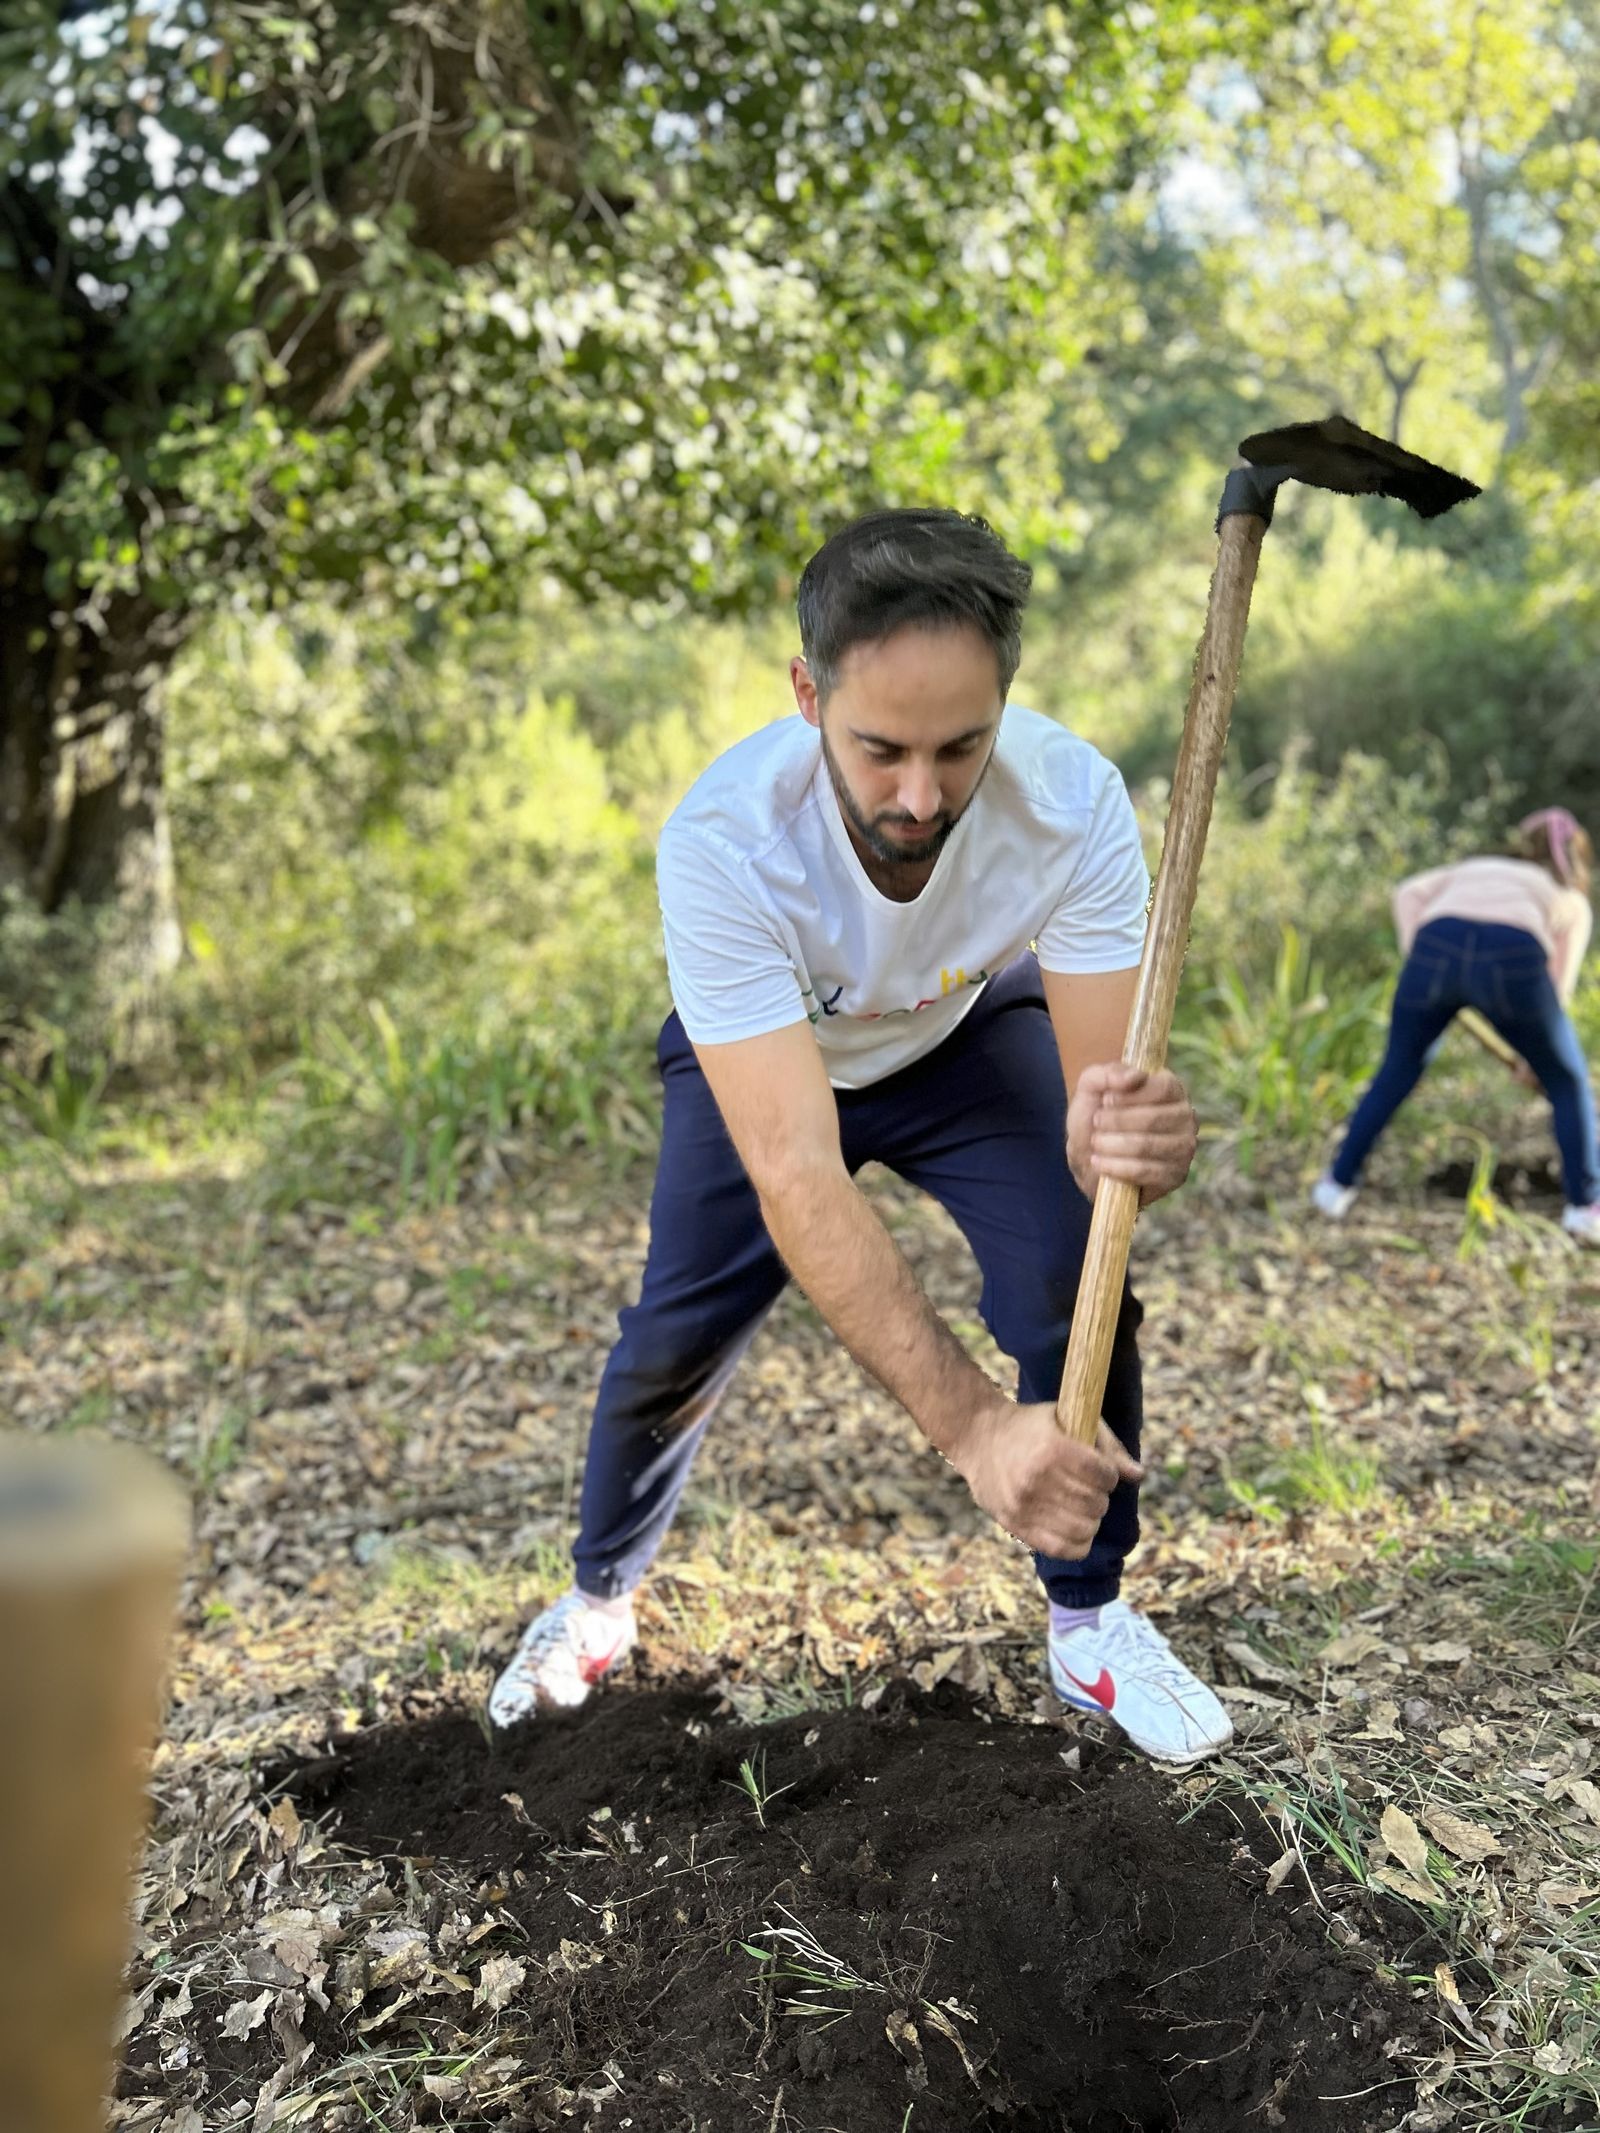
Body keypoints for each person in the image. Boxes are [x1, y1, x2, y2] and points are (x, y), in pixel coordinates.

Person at [490, 508, 1231, 1764]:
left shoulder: (1074, 803)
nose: (920, 795)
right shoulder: (724, 843)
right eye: (880, 748)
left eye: (961, 748)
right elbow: (797, 1174)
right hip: (774, 1063)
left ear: (1007, 700)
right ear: (806, 692)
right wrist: (974, 1431)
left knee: (1072, 1270)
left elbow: (1102, 1124)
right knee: (674, 1333)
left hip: (958, 1035)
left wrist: (1134, 1150)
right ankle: (597, 1601)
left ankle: (1091, 1622)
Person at [1312, 810, 1598, 1243]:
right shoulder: (1569, 899)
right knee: (1567, 1080)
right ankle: (1585, 1210)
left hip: (1435, 944)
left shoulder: (1476, 867)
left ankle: (1334, 1187)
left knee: (1397, 1071)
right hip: (1513, 954)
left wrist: (1419, 959)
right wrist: (1534, 1058)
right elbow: (1555, 997)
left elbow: (1407, 892)